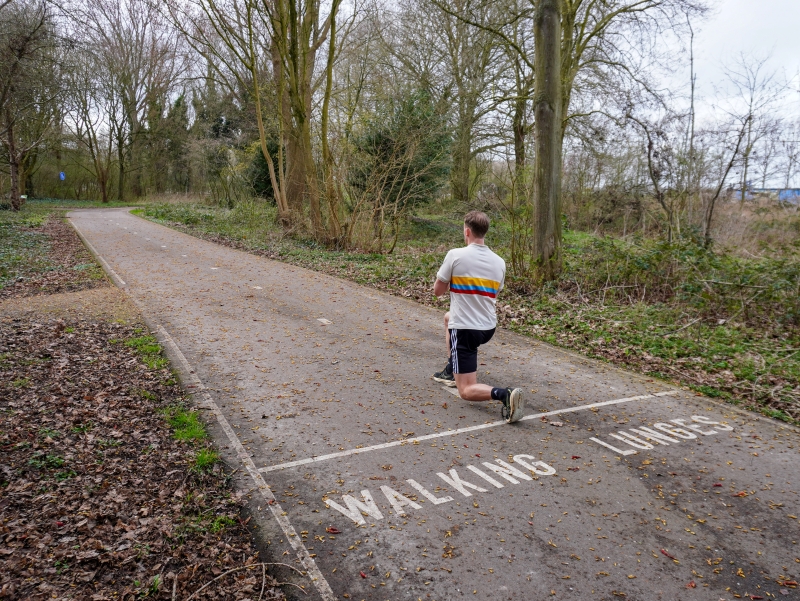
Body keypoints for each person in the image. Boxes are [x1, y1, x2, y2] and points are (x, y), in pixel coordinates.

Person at [431, 211, 524, 423]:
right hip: (487, 327)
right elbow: (494, 294)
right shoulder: (499, 262)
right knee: (448, 317)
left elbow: (438, 291)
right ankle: (450, 369)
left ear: (467, 231)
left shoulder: (455, 255)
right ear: (484, 232)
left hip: (465, 329)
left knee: (466, 389)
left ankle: (505, 395)